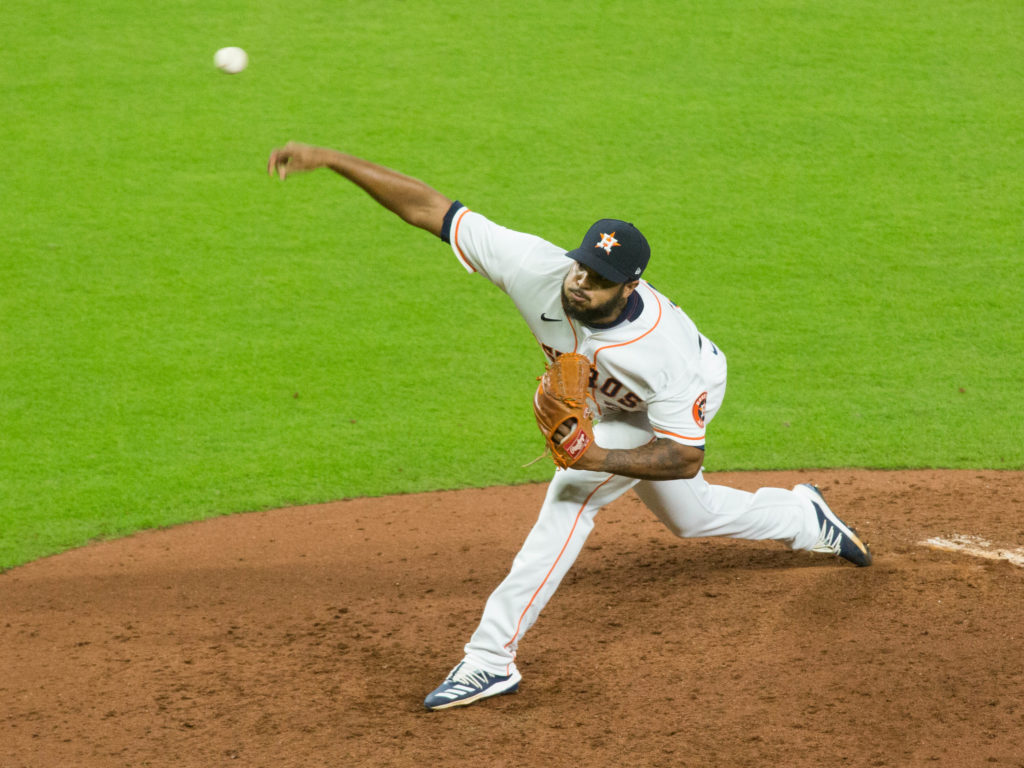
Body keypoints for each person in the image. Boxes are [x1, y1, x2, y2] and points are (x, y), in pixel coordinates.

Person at [266, 142, 873, 711]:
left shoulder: (664, 353)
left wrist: (594, 459)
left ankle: (490, 656)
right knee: (692, 518)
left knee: (571, 499)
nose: (580, 282)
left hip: (671, 407)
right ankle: (802, 517)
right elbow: (430, 208)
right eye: (582, 267)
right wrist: (331, 159)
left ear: (629, 286)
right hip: (608, 403)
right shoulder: (536, 266)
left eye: (599, 279)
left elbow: (682, 455)